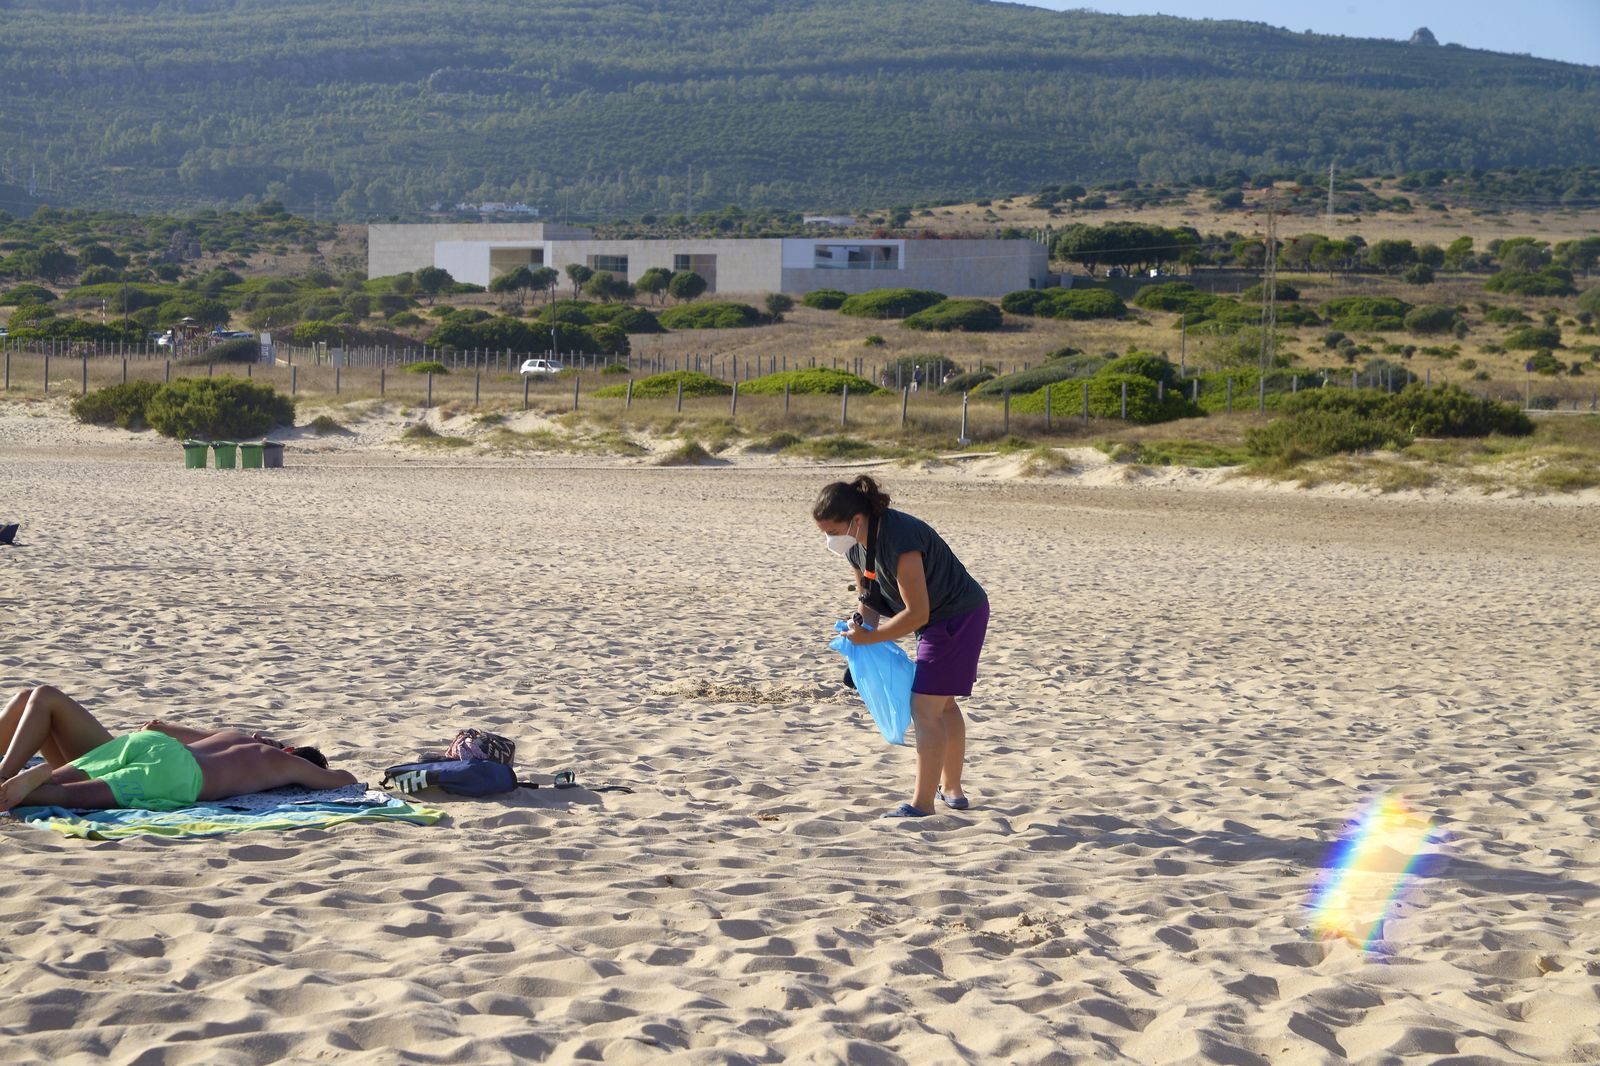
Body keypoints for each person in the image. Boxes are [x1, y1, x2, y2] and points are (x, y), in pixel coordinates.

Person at [813, 476, 989, 818]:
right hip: (935, 620)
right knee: (942, 704)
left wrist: (872, 638)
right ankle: (952, 788)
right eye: (824, 532)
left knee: (924, 708)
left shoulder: (900, 540)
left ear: (857, 519)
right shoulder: (856, 545)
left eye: (833, 530)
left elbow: (917, 612)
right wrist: (859, 636)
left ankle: (922, 805)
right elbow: (869, 599)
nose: (830, 539)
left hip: (956, 616)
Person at [0, 685, 356, 814]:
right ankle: (22, 791)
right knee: (63, 797)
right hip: (176, 772)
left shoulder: (239, 739)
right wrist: (316, 774)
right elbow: (345, 780)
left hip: (151, 746)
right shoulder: (274, 763)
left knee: (42, 698)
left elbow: (154, 729)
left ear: (290, 747)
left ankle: (8, 774)